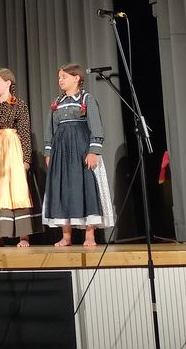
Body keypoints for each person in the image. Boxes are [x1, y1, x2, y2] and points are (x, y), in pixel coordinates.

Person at [42, 63, 116, 246]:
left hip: (81, 150)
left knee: (85, 187)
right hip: (61, 152)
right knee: (63, 189)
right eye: (59, 77)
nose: (60, 80)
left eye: (64, 77)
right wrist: (49, 151)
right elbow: (50, 129)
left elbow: (96, 126)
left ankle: (89, 235)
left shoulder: (86, 98)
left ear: (76, 78)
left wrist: (93, 151)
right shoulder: (57, 102)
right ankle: (66, 236)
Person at [0, 68, 42, 247]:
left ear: (8, 83)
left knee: (16, 191)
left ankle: (23, 237)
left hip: (12, 152)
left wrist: (26, 160)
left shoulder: (19, 105)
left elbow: (24, 133)